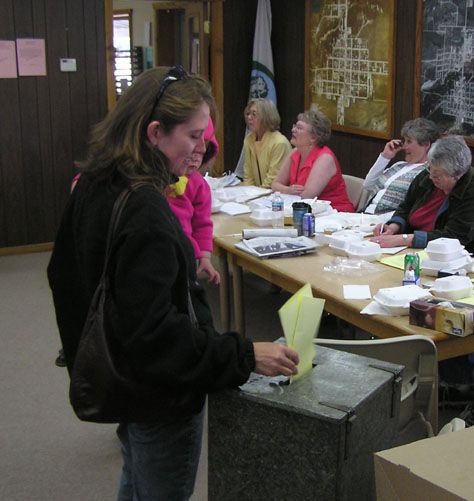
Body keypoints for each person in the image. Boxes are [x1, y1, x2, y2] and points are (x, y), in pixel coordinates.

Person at [47, 66, 299, 500]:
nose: (203, 149)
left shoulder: (94, 182)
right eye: (194, 136)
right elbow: (159, 339)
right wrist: (244, 354)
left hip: (124, 377)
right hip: (159, 393)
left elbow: (63, 277)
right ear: (155, 132)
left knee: (137, 477)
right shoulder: (146, 212)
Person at [372, 135, 474, 261]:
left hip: (471, 258)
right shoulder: (429, 174)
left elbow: (452, 238)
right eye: (430, 170)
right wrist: (393, 227)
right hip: (419, 251)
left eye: (437, 176)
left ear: (456, 175)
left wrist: (403, 239)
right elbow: (406, 206)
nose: (430, 177)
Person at [167, 116, 220, 284]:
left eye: (201, 154)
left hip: (185, 252)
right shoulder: (161, 178)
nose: (195, 158)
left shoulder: (199, 185)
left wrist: (205, 257)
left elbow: (202, 223)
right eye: (192, 151)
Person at [271, 109, 354, 212]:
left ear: (313, 137)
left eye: (299, 128)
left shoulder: (325, 158)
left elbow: (306, 196)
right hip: (306, 211)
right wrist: (288, 190)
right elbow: (274, 184)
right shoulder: (295, 152)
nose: (293, 130)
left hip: (334, 214)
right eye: (295, 126)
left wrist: (284, 190)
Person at [360, 118, 440, 214]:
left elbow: (411, 208)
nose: (404, 146)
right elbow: (367, 185)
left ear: (426, 145)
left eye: (409, 141)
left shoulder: (427, 172)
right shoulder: (399, 165)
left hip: (386, 221)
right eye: (404, 141)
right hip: (364, 214)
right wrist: (385, 157)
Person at [242, 98, 291, 188]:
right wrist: (247, 194)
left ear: (266, 117)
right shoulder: (249, 139)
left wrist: (256, 196)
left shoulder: (279, 143)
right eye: (248, 113)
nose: (249, 117)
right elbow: (248, 176)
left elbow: (273, 179)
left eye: (254, 114)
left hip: (276, 196)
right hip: (257, 195)